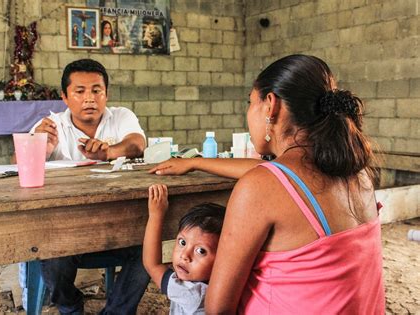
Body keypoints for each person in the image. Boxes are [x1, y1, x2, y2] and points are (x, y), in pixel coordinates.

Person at [150, 54, 385, 314]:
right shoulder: (356, 172)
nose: (249, 113)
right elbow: (271, 173)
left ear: (270, 106)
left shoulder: (261, 187)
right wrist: (196, 162)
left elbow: (219, 309)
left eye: (251, 103)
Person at [27, 58, 149, 315]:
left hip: (117, 224)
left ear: (107, 94)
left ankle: (116, 312)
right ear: (65, 96)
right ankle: (71, 306)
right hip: (67, 227)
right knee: (50, 254)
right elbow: (21, 166)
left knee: (148, 248)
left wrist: (110, 152)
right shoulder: (52, 126)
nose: (90, 98)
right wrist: (41, 148)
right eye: (79, 91)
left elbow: (137, 144)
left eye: (96, 90)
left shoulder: (121, 116)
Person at [143, 184, 225, 314]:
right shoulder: (226, 288)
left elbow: (152, 265)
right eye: (182, 242)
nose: (185, 255)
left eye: (201, 251)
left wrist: (155, 215)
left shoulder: (193, 293)